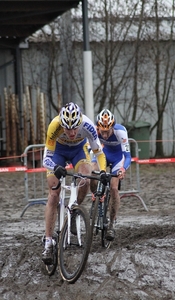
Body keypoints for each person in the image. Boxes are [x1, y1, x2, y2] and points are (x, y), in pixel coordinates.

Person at [42, 102, 107, 265]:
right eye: (67, 128)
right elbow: (45, 159)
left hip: (79, 150)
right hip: (58, 152)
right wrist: (55, 167)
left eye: (74, 128)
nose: (71, 132)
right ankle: (48, 242)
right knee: (54, 193)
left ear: (79, 123)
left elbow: (99, 153)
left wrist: (104, 171)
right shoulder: (54, 125)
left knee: (86, 177)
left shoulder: (88, 125)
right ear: (61, 124)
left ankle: (74, 209)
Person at [90, 109, 131, 241]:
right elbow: (90, 150)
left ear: (113, 127)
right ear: (98, 128)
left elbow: (127, 156)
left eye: (108, 131)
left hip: (118, 158)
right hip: (103, 154)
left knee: (114, 188)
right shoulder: (95, 131)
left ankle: (112, 224)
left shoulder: (121, 132)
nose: (105, 134)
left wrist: (123, 169)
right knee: (92, 171)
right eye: (103, 131)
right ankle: (95, 197)